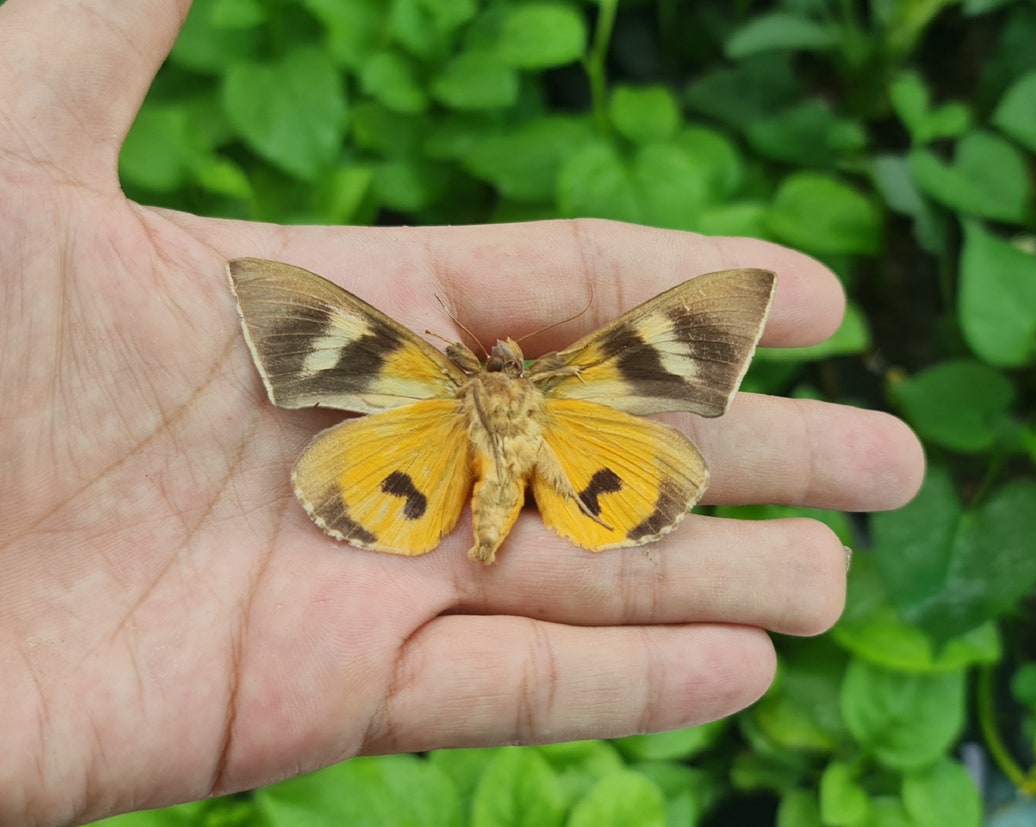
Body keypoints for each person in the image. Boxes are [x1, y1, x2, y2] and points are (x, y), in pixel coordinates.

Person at [0, 1, 924, 824]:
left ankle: (459, 509)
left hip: (423, 443)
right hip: (578, 446)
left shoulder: (432, 371)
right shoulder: (573, 373)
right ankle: (569, 501)